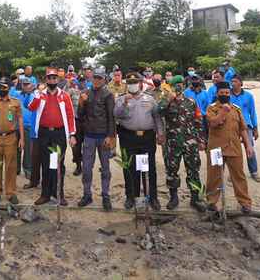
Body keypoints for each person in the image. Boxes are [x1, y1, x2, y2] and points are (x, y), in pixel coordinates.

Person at [28, 67, 78, 206]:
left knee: (57, 164)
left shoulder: (64, 96)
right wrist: (38, 95)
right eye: (49, 78)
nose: (52, 80)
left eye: (54, 78)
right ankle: (45, 194)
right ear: (46, 80)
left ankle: (58, 193)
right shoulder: (40, 94)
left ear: (58, 79)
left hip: (58, 134)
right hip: (44, 133)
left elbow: (70, 115)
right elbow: (31, 107)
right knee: (45, 163)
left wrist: (72, 134)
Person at [115, 73, 165, 211]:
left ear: (140, 83)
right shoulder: (121, 99)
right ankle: (131, 196)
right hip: (128, 137)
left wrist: (160, 133)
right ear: (127, 84)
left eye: (135, 82)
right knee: (130, 168)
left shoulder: (149, 99)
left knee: (149, 168)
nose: (133, 85)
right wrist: (125, 102)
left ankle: (152, 197)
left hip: (147, 138)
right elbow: (117, 115)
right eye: (130, 82)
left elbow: (156, 117)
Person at [205, 81, 254, 214]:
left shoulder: (236, 109)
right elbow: (213, 123)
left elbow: (243, 129)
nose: (225, 95)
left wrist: (248, 146)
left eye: (227, 93)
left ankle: (245, 203)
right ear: (217, 94)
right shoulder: (211, 108)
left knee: (238, 176)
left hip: (234, 147)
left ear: (230, 93)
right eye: (222, 93)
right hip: (216, 149)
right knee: (214, 176)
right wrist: (223, 112)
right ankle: (211, 202)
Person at [160, 81, 205, 211]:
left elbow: (198, 121)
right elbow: (158, 111)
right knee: (172, 171)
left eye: (180, 85)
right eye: (175, 86)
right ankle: (173, 198)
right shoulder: (167, 101)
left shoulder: (191, 102)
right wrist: (168, 99)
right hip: (173, 143)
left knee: (193, 170)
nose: (178, 88)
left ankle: (195, 198)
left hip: (190, 142)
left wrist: (201, 140)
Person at [76, 66, 115, 211]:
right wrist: (81, 102)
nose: (97, 80)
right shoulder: (85, 93)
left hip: (103, 136)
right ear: (91, 78)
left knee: (105, 168)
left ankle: (105, 195)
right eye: (95, 78)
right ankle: (87, 194)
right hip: (89, 137)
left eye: (100, 78)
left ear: (104, 79)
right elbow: (80, 115)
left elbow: (111, 117)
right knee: (86, 168)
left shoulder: (108, 95)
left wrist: (110, 136)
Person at [229, 75, 260, 182]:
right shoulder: (227, 94)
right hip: (232, 125)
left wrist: (255, 128)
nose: (233, 83)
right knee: (233, 150)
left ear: (241, 83)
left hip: (246, 126)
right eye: (232, 81)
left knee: (250, 148)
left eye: (235, 81)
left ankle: (254, 172)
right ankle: (234, 173)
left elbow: (253, 112)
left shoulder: (248, 96)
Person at [17, 77, 37, 180]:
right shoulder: (16, 95)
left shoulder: (34, 96)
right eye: (24, 84)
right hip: (17, 126)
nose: (26, 86)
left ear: (30, 85)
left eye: (27, 84)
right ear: (21, 85)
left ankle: (27, 169)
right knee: (17, 148)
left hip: (29, 126)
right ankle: (16, 169)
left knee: (28, 150)